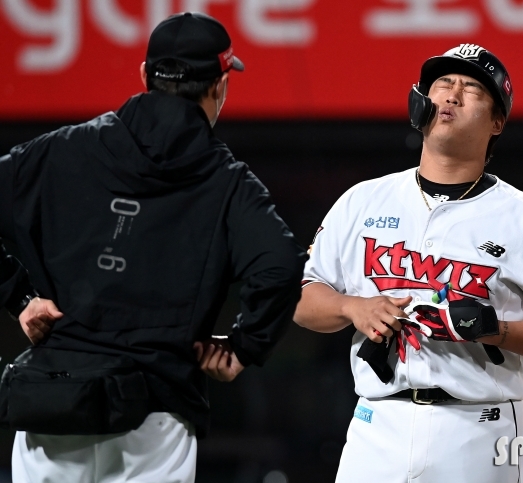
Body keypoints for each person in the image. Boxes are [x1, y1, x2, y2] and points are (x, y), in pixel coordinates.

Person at [0, 12, 306, 483]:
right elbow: (281, 266)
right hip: (154, 414)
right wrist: (243, 347)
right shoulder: (228, 183)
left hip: (52, 402)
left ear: (144, 76)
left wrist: (18, 297)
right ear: (220, 85)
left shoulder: (65, 149)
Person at [294, 43, 523, 482]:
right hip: (377, 423)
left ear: (496, 122)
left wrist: (497, 329)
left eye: (471, 88)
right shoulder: (363, 200)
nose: (451, 95)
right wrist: (352, 307)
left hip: (478, 428)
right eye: (442, 85)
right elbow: (302, 302)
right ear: (421, 103)